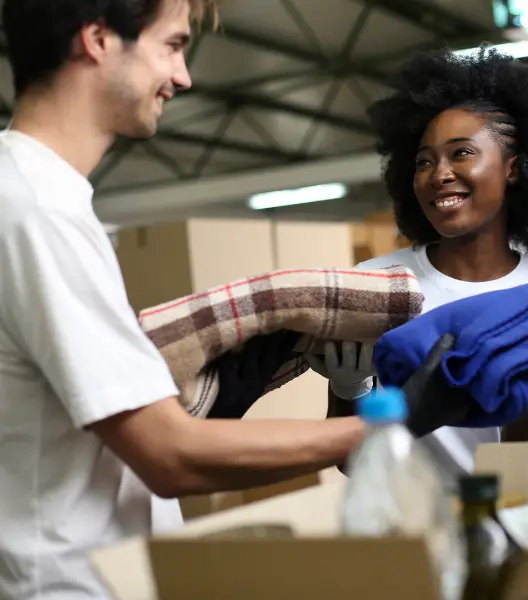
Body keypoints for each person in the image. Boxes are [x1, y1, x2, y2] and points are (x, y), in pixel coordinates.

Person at [0, 2, 445, 597]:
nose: (183, 77)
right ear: (99, 39)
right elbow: (169, 456)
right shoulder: (39, 214)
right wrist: (382, 427)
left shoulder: (36, 199)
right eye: (172, 45)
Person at [317, 46, 528, 488]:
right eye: (424, 162)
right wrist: (349, 388)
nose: (439, 174)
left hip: (508, 522)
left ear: (513, 169)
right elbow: (353, 464)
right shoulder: (378, 287)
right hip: (410, 532)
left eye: (461, 153)